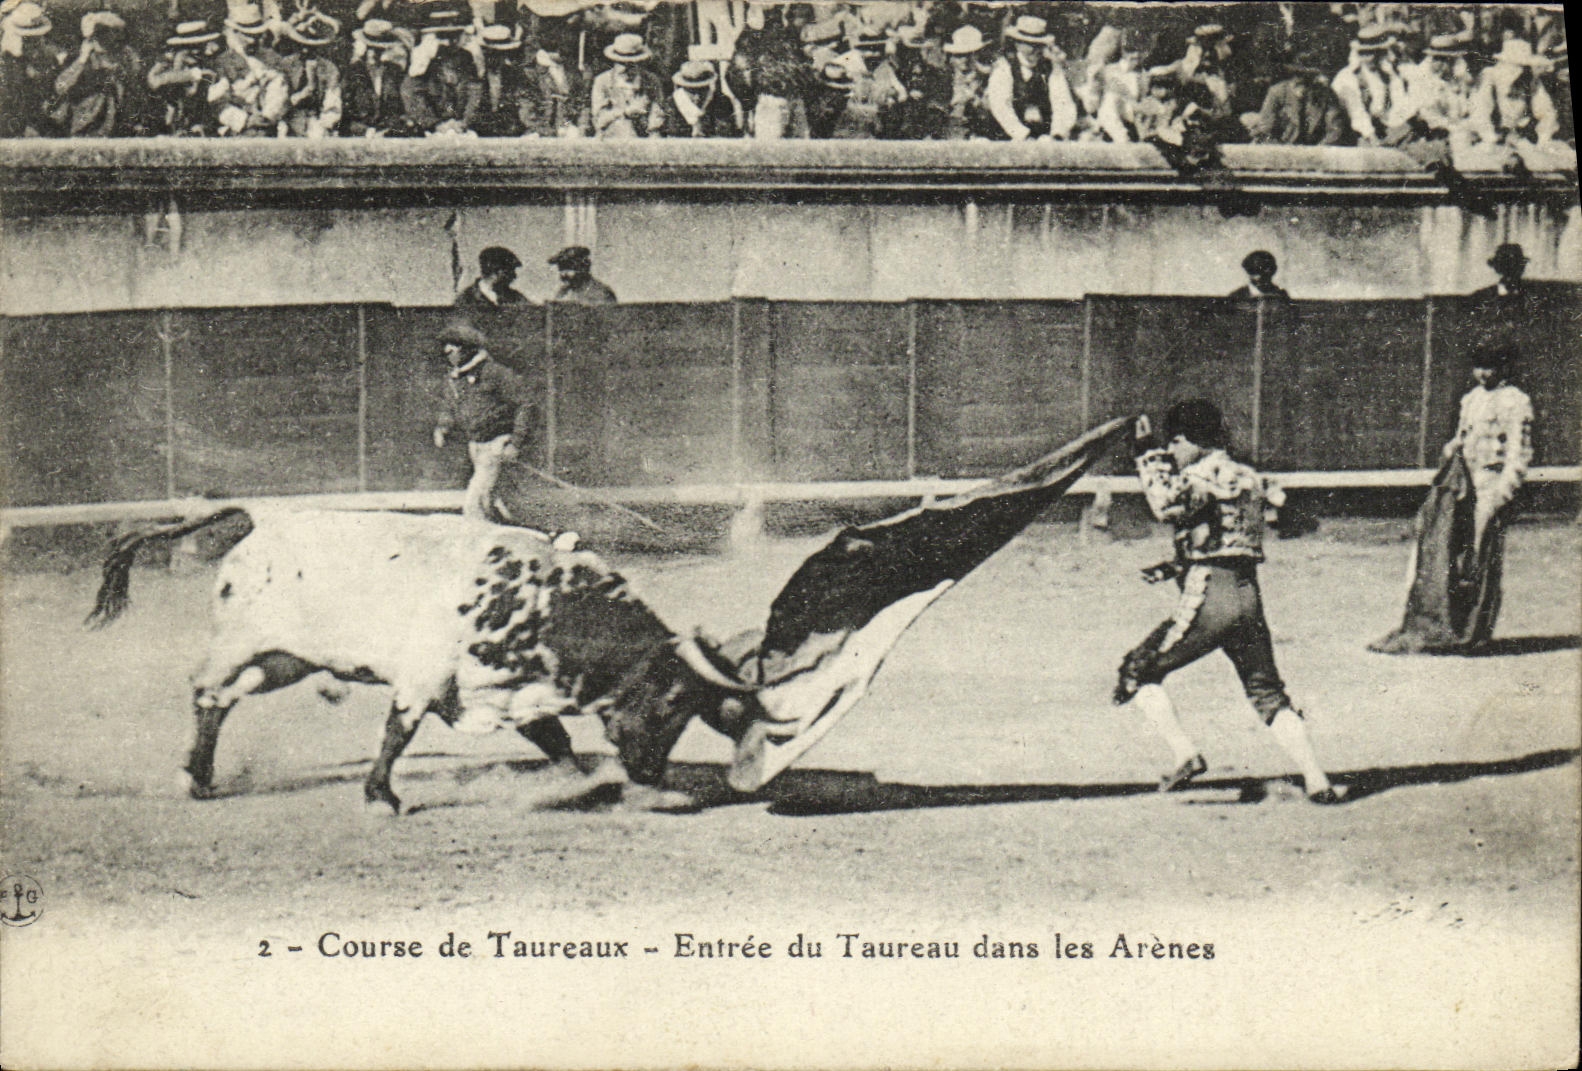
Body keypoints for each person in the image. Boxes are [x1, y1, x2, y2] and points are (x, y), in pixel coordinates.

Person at [1116, 401, 1341, 804]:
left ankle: (1185, 754)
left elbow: (1164, 505)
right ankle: (1317, 780)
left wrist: (1146, 454)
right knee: (1268, 692)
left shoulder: (1200, 476)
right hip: (1248, 594)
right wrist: (1173, 566)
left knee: (1138, 670)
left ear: (1192, 440)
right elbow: (1234, 536)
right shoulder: (1251, 477)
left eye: (1177, 442)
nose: (1174, 451)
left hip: (1209, 595)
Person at [1373, 347, 1533, 653]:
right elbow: (1463, 437)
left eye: (1490, 367)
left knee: (1479, 555)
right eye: (1479, 367)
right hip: (1464, 483)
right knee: (1449, 551)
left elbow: (1518, 452)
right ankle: (1448, 626)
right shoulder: (1471, 399)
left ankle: (1475, 632)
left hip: (1490, 483)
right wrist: (1452, 449)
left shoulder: (1516, 401)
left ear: (1503, 367)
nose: (1483, 374)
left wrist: (1504, 492)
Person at [432, 321, 539, 523]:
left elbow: (526, 404)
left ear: (467, 349)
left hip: (497, 445)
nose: (447, 352)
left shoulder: (494, 372)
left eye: (453, 346)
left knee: (476, 504)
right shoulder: (454, 379)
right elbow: (449, 406)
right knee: (496, 501)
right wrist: (443, 427)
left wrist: (516, 442)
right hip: (476, 447)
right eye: (446, 347)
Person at [51, 11, 148, 137]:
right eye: (100, 34)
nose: (109, 39)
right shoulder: (82, 59)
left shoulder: (124, 58)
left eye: (111, 33)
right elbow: (60, 86)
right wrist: (82, 60)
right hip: (87, 122)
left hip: (118, 122)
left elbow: (135, 88)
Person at [984, 14, 1078, 141]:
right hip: (1008, 134)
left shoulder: (1051, 68)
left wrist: (1057, 134)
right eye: (1030, 45)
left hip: (1043, 134)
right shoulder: (1004, 66)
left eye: (1039, 45)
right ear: (1017, 44)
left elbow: (1063, 103)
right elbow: (1000, 106)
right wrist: (1022, 135)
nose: (1035, 49)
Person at [341, 17, 413, 136]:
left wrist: (390, 129)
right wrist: (365, 130)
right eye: (370, 49)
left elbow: (398, 109)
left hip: (387, 132)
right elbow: (346, 114)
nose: (373, 55)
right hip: (359, 132)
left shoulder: (393, 72)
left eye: (378, 50)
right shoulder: (353, 73)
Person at [0, 1, 59, 138]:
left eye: (36, 40)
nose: (36, 43)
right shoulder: (9, 64)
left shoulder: (46, 59)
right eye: (30, 40)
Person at [591, 32, 665, 138]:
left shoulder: (651, 81)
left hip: (643, 134)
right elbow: (598, 119)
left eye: (631, 64)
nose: (625, 68)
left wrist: (653, 131)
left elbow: (657, 113)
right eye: (621, 63)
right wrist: (624, 112)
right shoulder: (602, 81)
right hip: (611, 135)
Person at [457, 246, 530, 309]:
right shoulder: (466, 299)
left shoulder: (516, 298)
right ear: (498, 271)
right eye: (510, 271)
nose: (514, 276)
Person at [548, 246, 617, 305]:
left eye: (569, 269)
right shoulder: (563, 293)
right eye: (561, 269)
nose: (563, 274)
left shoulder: (601, 294)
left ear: (583, 268)